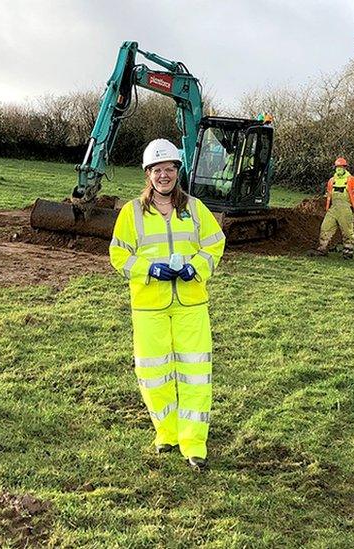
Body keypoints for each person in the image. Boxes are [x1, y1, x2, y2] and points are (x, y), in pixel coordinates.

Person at [109, 138, 226, 471]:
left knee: (195, 374)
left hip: (190, 303)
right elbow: (119, 255)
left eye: (170, 169)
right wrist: (149, 269)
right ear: (148, 174)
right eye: (157, 170)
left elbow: (215, 244)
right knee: (153, 374)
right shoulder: (131, 212)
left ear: (178, 171)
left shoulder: (195, 208)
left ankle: (194, 443)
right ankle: (167, 432)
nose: (164, 176)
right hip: (149, 306)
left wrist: (197, 267)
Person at [312, 156, 354, 258]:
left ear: (345, 167)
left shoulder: (352, 180)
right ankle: (322, 249)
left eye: (341, 167)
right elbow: (329, 194)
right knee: (325, 227)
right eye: (337, 167)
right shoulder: (331, 180)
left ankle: (348, 251)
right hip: (333, 208)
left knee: (347, 230)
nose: (339, 168)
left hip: (346, 208)